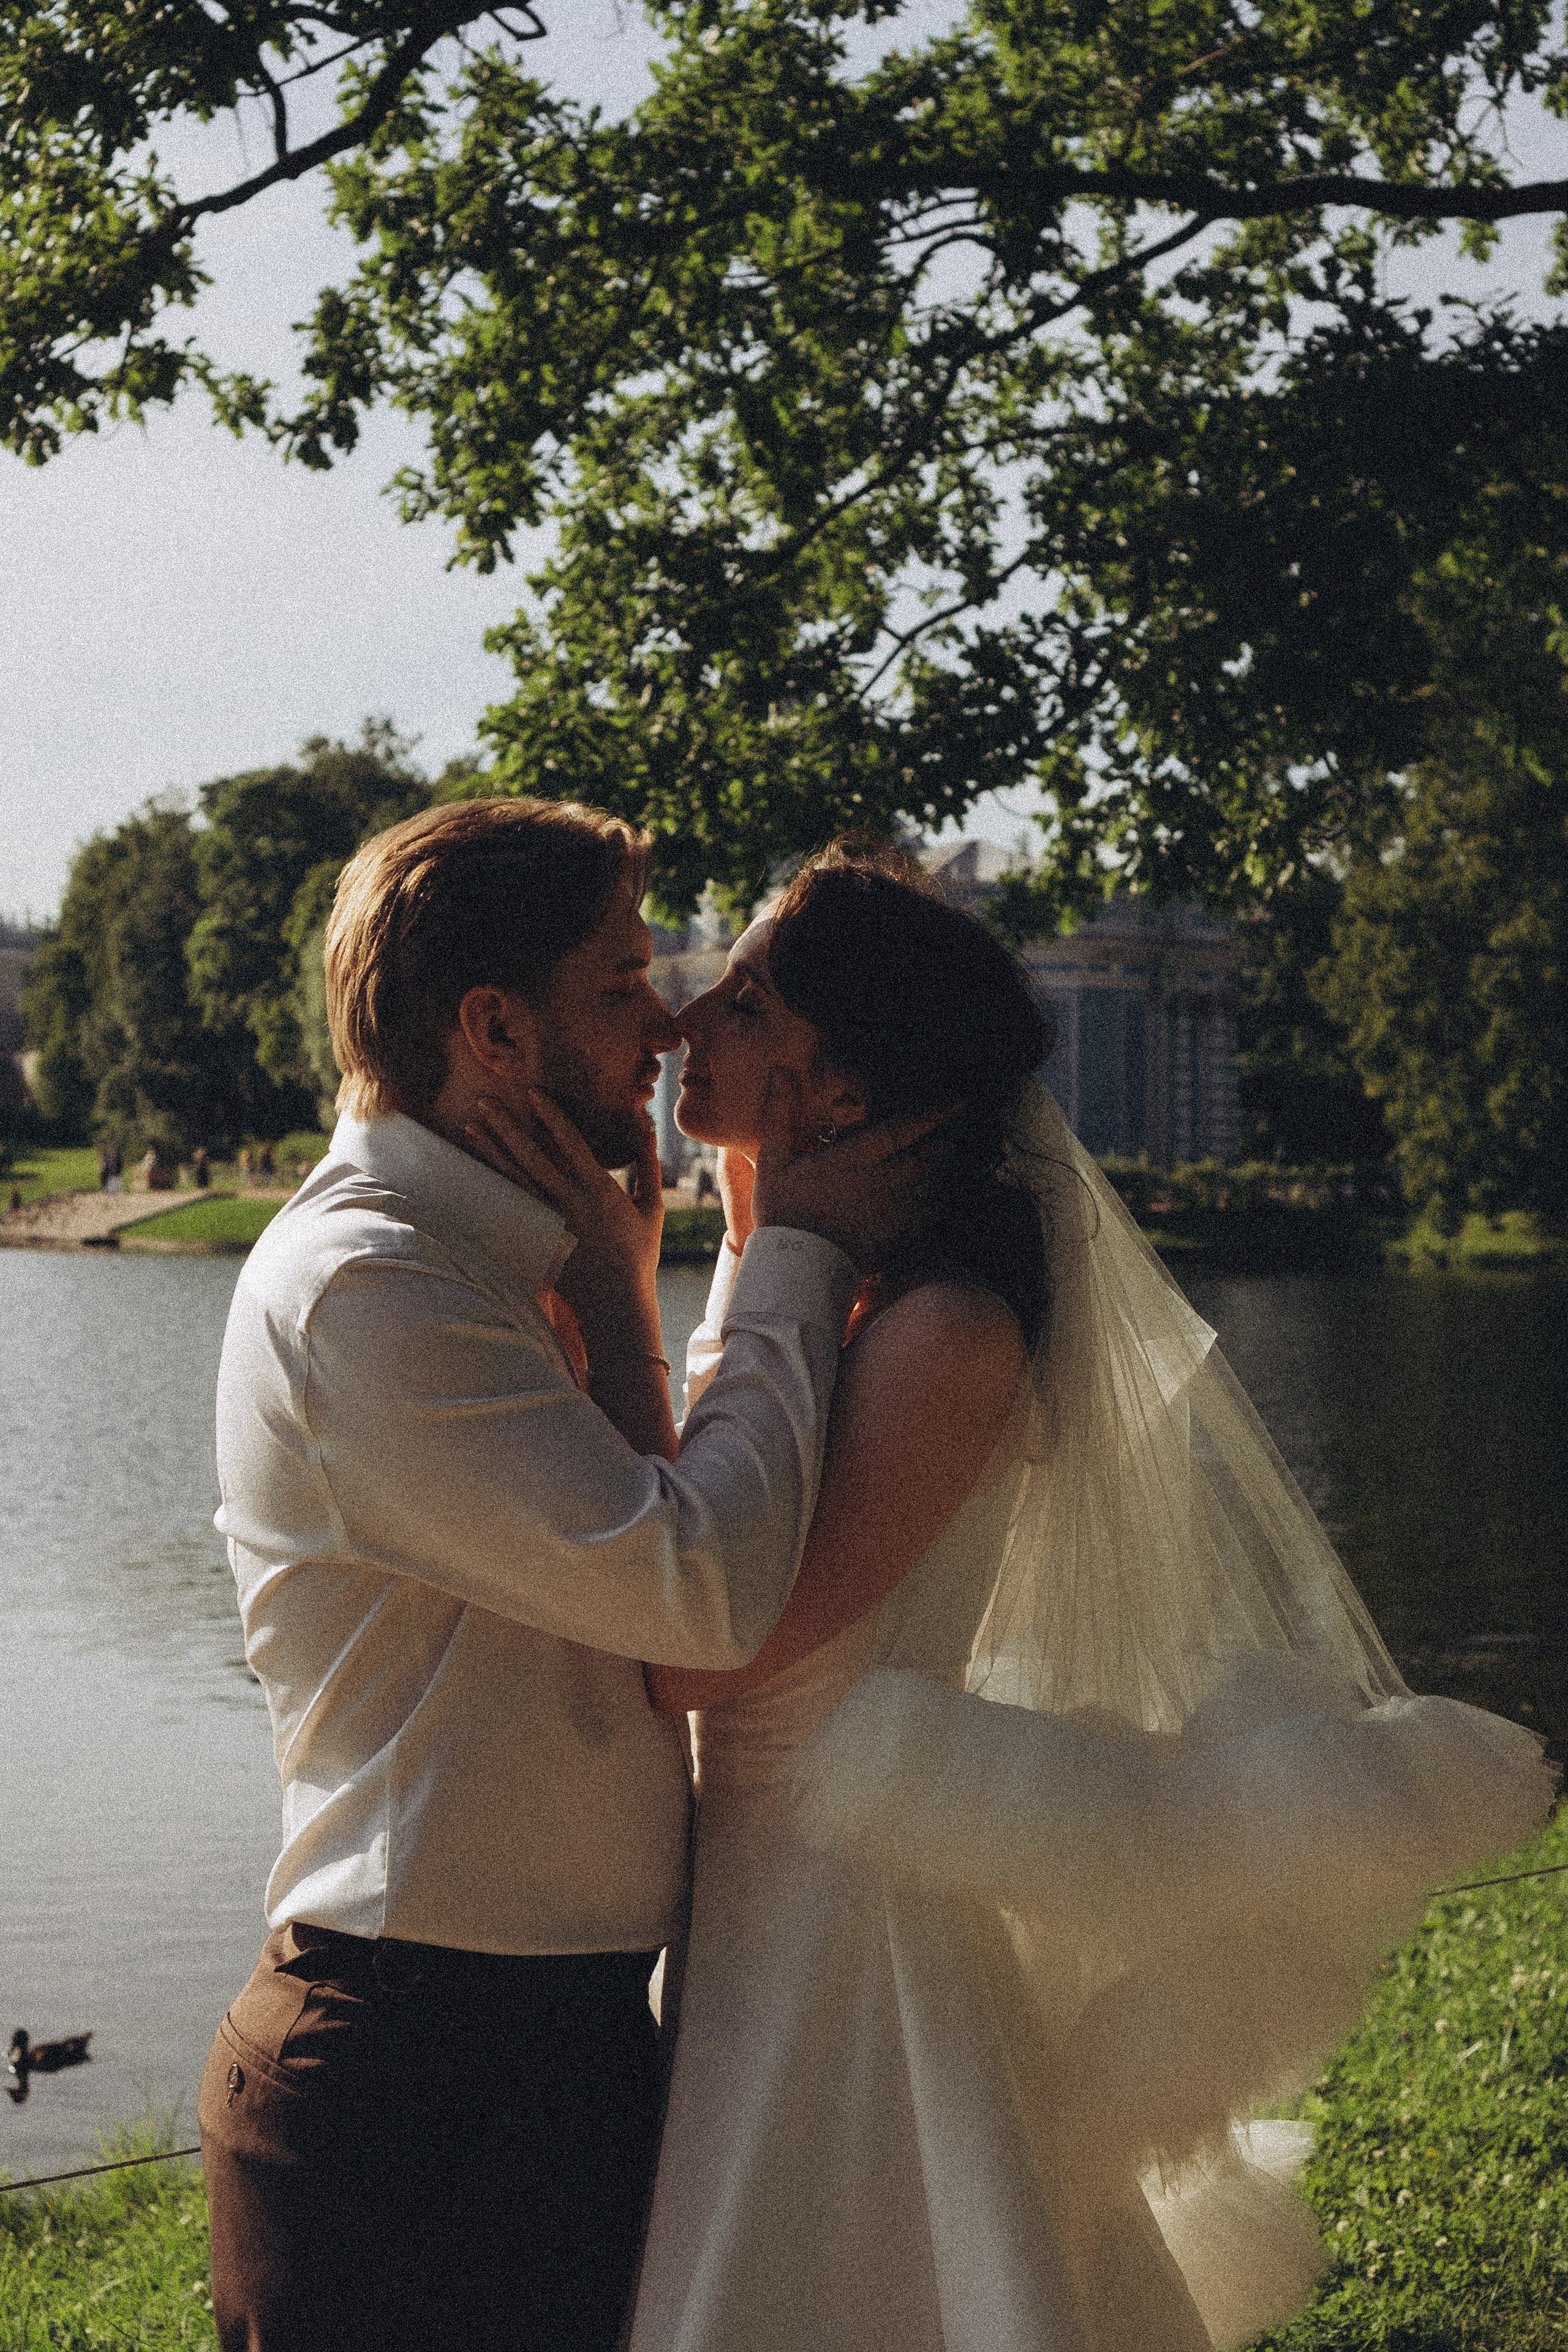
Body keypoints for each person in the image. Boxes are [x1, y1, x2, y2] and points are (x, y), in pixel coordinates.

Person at [574, 844, 1551, 2352]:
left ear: (840, 1085)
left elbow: (710, 1655)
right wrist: (750, 1249)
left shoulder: (942, 1333)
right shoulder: (831, 1292)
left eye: (749, 997)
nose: (691, 1018)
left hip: (853, 1926)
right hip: (760, 1897)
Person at [196, 799, 941, 2352]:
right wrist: (789, 1247)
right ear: (492, 1029)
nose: (668, 1024)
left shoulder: (489, 1264)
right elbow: (700, 1590)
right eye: (619, 984)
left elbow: (649, 1552)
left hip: (545, 2049)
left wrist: (619, 1300)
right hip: (413, 2081)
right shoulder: (372, 1290)